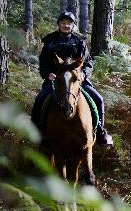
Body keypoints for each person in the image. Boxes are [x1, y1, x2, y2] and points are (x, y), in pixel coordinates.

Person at [31, 10, 112, 146]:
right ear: (58, 24)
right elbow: (43, 63)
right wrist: (48, 74)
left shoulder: (79, 41)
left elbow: (88, 63)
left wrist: (83, 74)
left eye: (69, 23)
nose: (66, 25)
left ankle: (100, 132)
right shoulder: (50, 41)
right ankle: (37, 133)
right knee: (40, 100)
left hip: (76, 80)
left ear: (73, 25)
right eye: (63, 23)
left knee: (98, 99)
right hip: (55, 80)